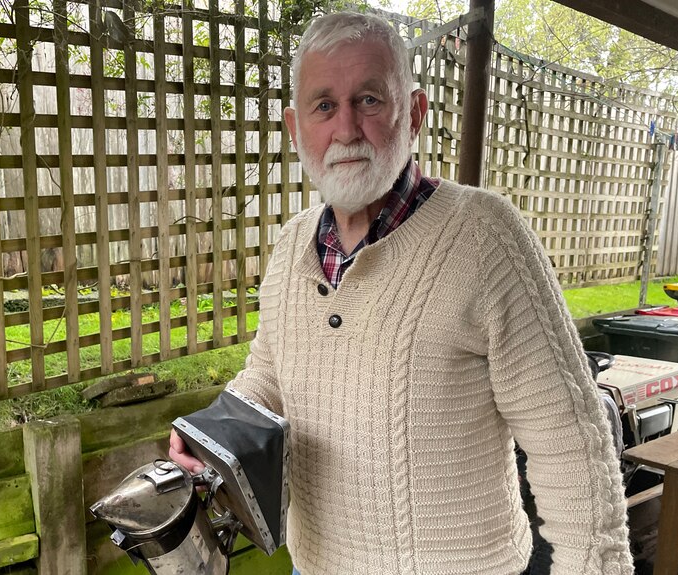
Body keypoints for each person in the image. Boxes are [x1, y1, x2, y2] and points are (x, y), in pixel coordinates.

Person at [170, 11, 632, 575]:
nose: (345, 129)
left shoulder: (485, 238)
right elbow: (270, 373)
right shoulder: (292, 246)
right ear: (295, 128)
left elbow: (572, 443)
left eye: (369, 100)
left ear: (413, 113)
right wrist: (210, 432)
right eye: (323, 105)